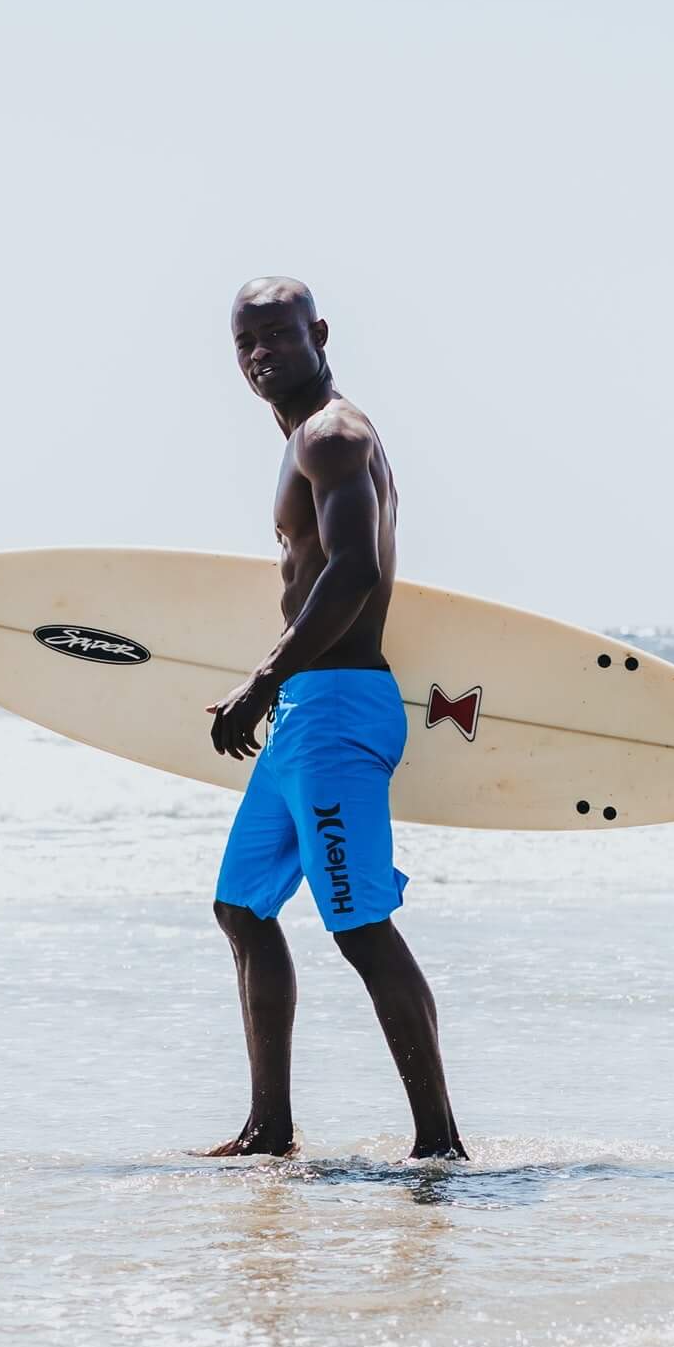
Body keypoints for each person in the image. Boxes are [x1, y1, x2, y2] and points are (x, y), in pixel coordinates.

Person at [203, 276, 466, 1160]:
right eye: (246, 342)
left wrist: (264, 678)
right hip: (303, 714)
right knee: (240, 907)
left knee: (356, 924)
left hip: (334, 709)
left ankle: (439, 1144)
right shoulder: (303, 442)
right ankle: (269, 1130)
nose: (261, 354)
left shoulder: (334, 438)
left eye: (277, 335)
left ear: (319, 333)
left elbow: (350, 573)